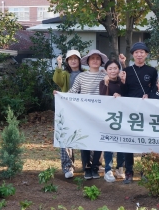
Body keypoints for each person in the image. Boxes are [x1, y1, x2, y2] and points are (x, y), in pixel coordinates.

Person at [119, 42, 158, 184]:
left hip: (146, 110)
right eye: (136, 52)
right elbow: (123, 92)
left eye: (142, 52)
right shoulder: (127, 70)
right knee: (130, 140)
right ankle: (129, 171)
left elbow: (154, 89)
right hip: (130, 110)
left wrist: (149, 95)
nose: (139, 55)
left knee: (145, 140)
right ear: (133, 55)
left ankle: (145, 170)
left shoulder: (152, 71)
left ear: (146, 54)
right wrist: (122, 82)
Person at [68, 50, 108, 180]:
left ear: (101, 62)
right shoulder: (81, 76)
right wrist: (61, 95)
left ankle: (95, 166)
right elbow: (73, 91)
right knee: (84, 140)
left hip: (100, 113)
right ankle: (87, 167)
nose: (95, 61)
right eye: (92, 59)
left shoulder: (105, 75)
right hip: (84, 113)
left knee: (98, 141)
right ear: (88, 62)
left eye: (98, 58)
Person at [53, 50, 83, 179]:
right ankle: (68, 166)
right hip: (67, 109)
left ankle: (92, 164)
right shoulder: (65, 74)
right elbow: (57, 80)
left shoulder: (85, 73)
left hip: (84, 110)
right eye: (70, 59)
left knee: (88, 135)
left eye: (76, 58)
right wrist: (58, 65)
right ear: (67, 62)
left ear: (80, 60)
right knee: (66, 137)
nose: (73, 61)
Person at [99, 59, 128, 182]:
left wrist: (121, 97)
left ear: (119, 69)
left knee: (121, 143)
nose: (113, 71)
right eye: (110, 68)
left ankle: (120, 167)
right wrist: (106, 85)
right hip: (108, 117)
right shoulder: (103, 82)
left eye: (115, 68)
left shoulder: (122, 83)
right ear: (106, 70)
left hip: (122, 117)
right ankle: (108, 170)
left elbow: (128, 96)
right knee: (109, 143)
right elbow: (102, 99)